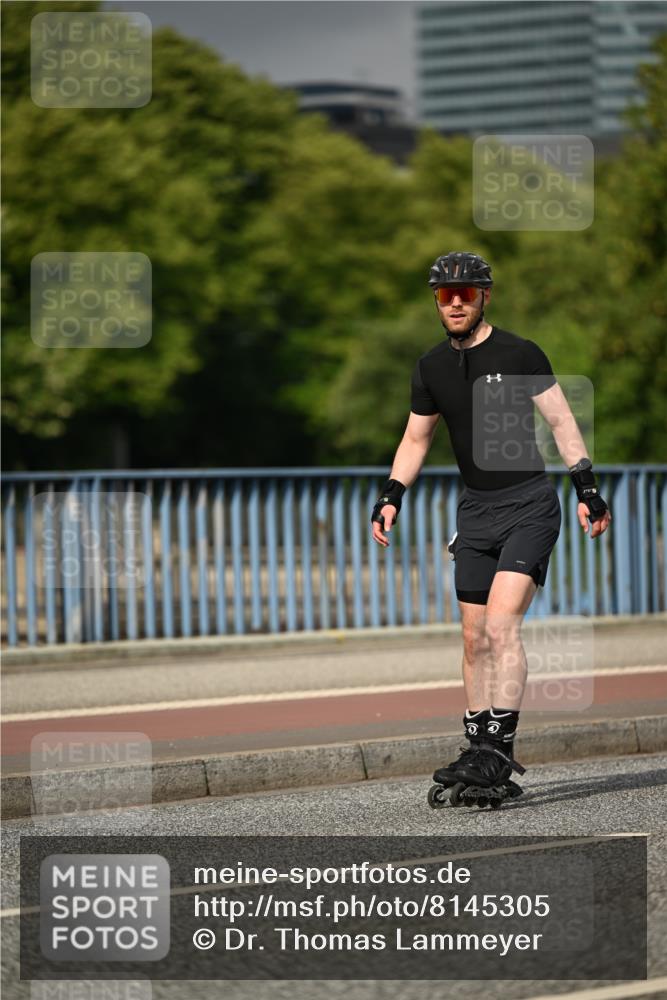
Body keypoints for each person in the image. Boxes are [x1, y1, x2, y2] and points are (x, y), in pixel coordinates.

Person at [370, 251, 612, 808]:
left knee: (502, 627)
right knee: (473, 637)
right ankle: (476, 747)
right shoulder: (431, 366)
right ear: (436, 301)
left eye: (466, 293)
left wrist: (587, 487)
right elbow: (416, 440)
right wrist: (392, 496)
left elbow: (560, 420)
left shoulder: (519, 352)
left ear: (485, 296)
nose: (455, 302)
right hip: (474, 512)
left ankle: (497, 752)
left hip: (529, 504)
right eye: (444, 295)